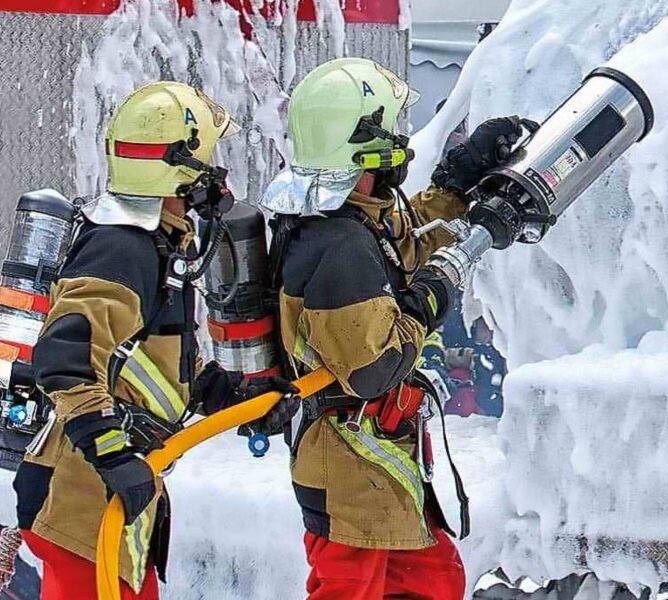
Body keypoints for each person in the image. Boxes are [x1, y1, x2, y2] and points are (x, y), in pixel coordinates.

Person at [260, 57, 529, 599]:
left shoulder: (350, 216)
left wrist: (456, 186)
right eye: (388, 130)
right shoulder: (334, 244)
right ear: (365, 147)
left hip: (381, 464)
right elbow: (375, 366)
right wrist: (434, 293)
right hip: (348, 470)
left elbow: (400, 250)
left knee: (435, 583)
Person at [12, 81, 293, 600]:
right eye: (209, 161)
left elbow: (147, 363)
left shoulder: (157, 247)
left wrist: (229, 396)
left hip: (110, 500)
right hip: (83, 501)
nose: (218, 177)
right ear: (181, 171)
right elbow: (65, 357)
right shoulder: (123, 247)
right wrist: (115, 456)